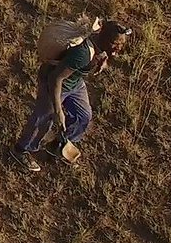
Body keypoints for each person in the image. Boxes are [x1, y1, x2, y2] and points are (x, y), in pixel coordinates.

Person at [11, 18, 133, 172]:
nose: (118, 48)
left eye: (121, 44)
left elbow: (103, 51)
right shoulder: (82, 53)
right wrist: (58, 111)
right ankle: (21, 150)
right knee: (44, 118)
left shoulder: (100, 42)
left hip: (75, 83)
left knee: (83, 116)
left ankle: (58, 145)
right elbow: (56, 78)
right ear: (104, 39)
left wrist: (104, 57)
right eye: (115, 44)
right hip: (55, 83)